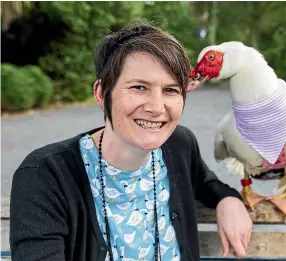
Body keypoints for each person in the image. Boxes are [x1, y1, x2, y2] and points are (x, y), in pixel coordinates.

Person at [9, 20, 252, 261]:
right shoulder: (45, 175)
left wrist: (229, 200)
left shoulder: (180, 145)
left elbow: (206, 183)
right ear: (102, 93)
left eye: (170, 90)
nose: (157, 108)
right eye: (138, 87)